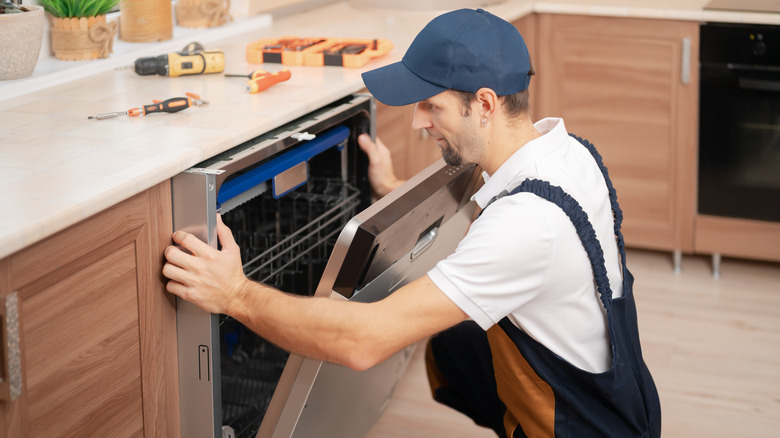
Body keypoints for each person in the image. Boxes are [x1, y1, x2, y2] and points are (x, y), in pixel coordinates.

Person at [162, 8, 661, 438]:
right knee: (454, 342)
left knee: (448, 336)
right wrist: (393, 189)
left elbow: (363, 341)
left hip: (583, 427)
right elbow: (480, 242)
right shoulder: (565, 152)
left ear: (484, 104)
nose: (420, 121)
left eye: (432, 105)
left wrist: (234, 294)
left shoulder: (528, 224)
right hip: (622, 402)